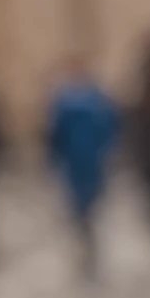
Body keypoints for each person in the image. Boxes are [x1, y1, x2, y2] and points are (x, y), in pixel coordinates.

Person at [44, 60, 120, 278]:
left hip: (75, 163)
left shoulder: (62, 105)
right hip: (92, 161)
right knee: (92, 204)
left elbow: (53, 138)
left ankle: (86, 241)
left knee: (80, 208)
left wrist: (53, 160)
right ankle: (90, 242)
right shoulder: (98, 101)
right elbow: (111, 130)